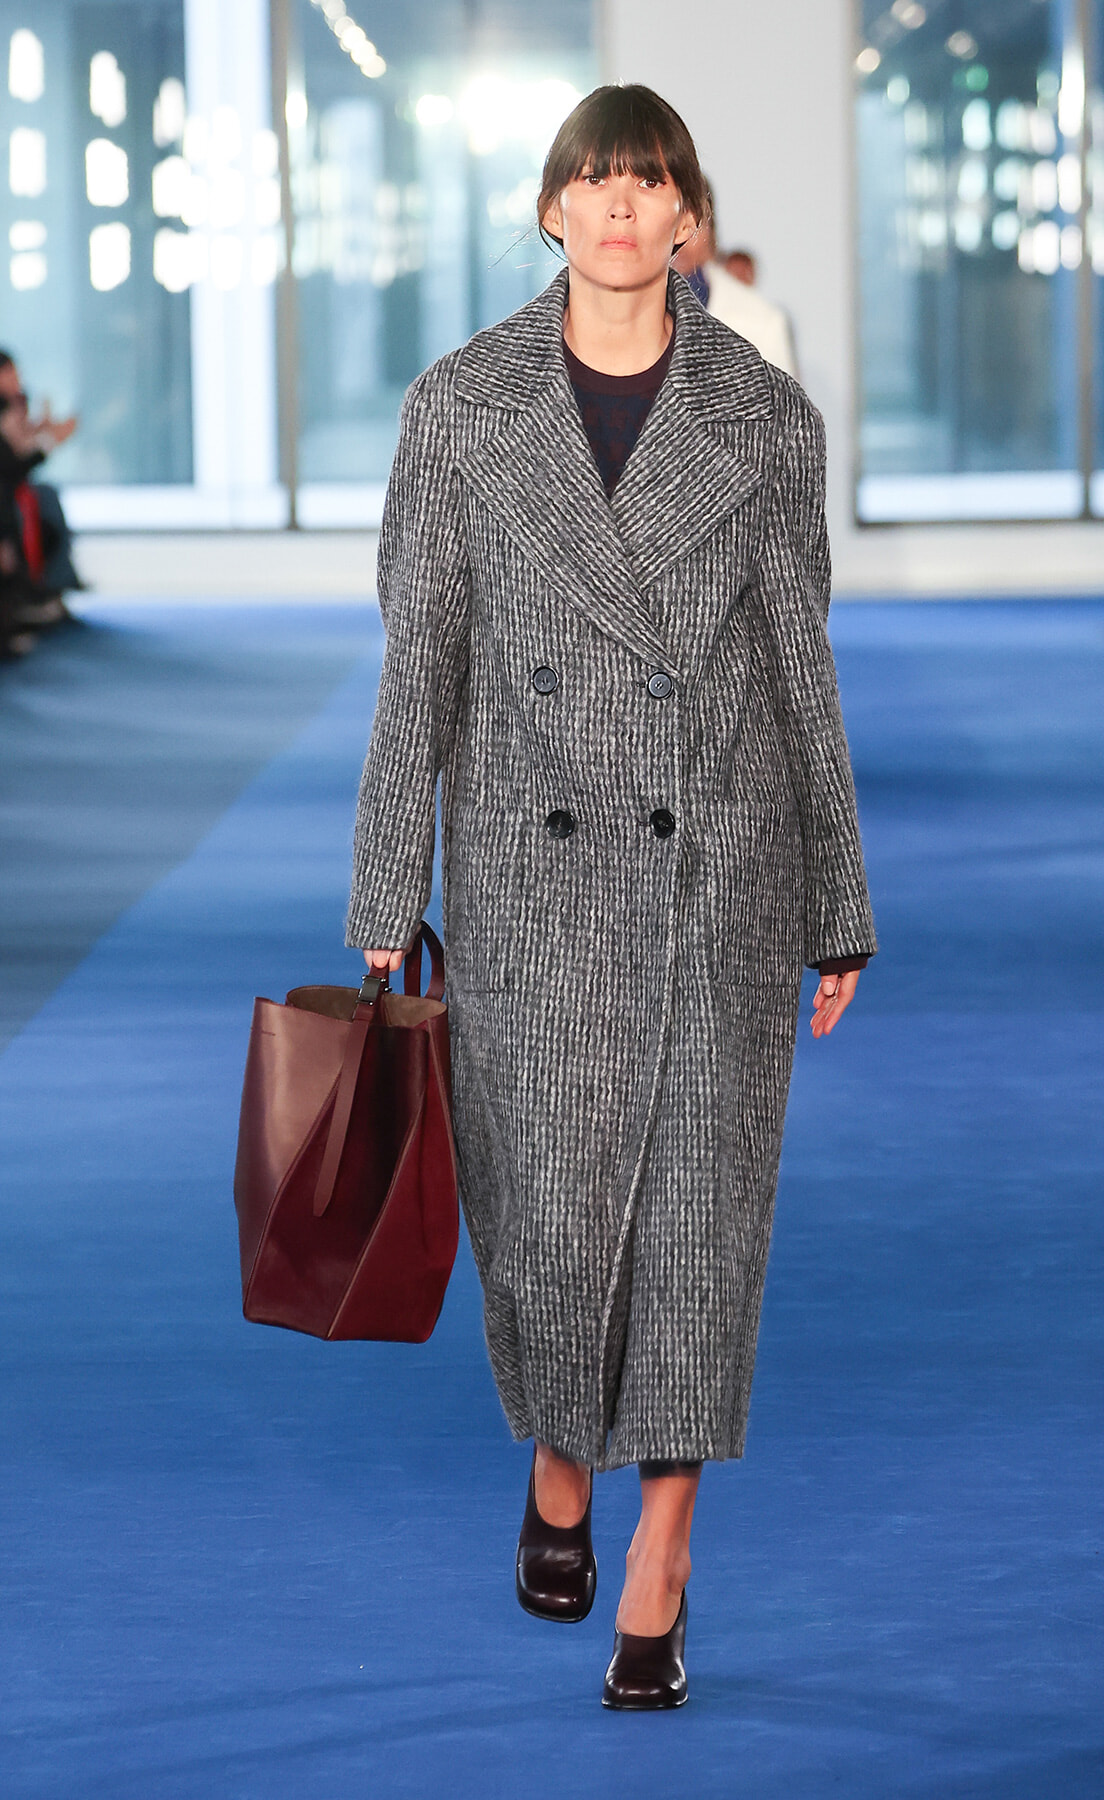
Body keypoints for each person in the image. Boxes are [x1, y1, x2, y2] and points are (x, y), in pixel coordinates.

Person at [346, 83, 875, 1710]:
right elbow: (419, 658)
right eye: (597, 180)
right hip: (532, 872)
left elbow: (800, 664)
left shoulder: (763, 422)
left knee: (704, 1221)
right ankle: (560, 1458)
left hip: (720, 863)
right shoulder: (460, 410)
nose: (625, 207)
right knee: (554, 1215)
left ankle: (664, 1558)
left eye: (652, 182)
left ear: (689, 220)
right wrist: (386, 884)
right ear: (552, 210)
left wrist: (837, 899)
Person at [671, 181, 799, 377]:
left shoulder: (761, 322)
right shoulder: (623, 313)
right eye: (668, 222)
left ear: (711, 234)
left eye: (690, 224)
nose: (677, 238)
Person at [0, 350, 83, 627]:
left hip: (12, 490)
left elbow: (16, 455)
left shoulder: (16, 403)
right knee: (33, 504)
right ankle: (31, 598)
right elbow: (11, 463)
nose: (17, 380)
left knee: (46, 495)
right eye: (11, 374)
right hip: (7, 493)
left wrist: (42, 434)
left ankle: (53, 588)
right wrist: (48, 441)